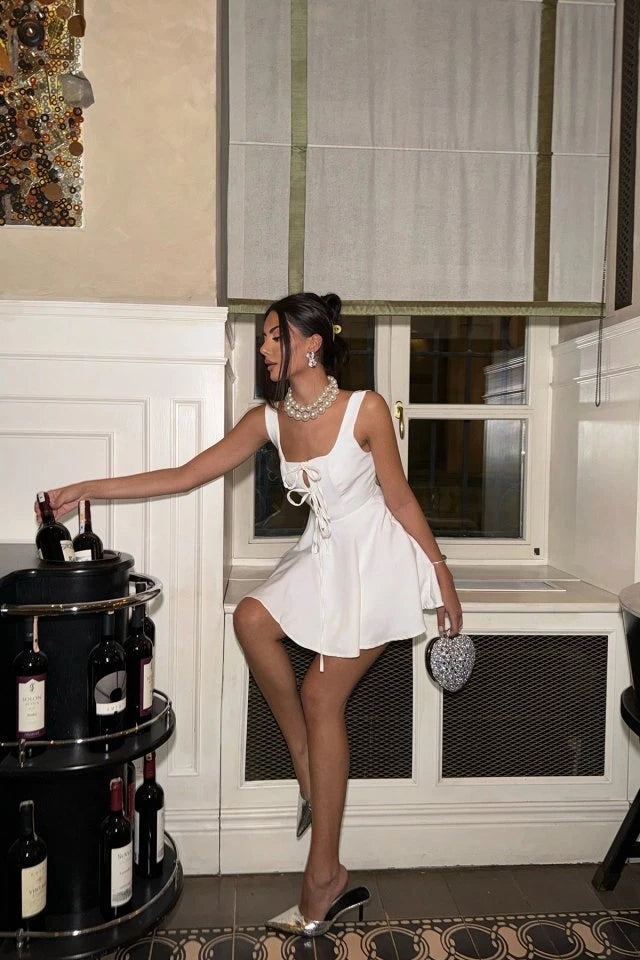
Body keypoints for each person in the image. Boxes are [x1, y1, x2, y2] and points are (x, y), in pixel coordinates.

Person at [38, 291, 463, 937]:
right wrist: (89, 487)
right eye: (263, 337)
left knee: (321, 696)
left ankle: (324, 880)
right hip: (321, 555)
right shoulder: (269, 418)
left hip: (375, 564)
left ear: (311, 343)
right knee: (252, 620)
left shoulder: (366, 409)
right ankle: (303, 759)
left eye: (274, 336)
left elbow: (400, 499)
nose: (263, 348)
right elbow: (185, 474)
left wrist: (441, 575)